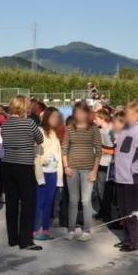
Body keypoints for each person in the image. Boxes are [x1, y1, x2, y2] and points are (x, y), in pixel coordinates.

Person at [0, 96, 43, 251]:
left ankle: (13, 238)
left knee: (11, 203)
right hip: (24, 165)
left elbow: (5, 143)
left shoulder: (5, 125)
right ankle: (25, 240)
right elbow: (40, 139)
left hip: (8, 164)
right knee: (27, 203)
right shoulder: (30, 123)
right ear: (24, 107)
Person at [113, 101, 138, 253]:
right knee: (123, 211)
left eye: (130, 114)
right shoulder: (124, 130)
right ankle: (126, 238)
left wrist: (133, 168)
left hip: (133, 179)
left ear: (137, 115)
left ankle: (133, 242)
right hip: (120, 177)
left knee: (132, 212)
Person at [62, 102, 102, 241]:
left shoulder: (93, 129)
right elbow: (64, 148)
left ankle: (87, 230)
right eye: (77, 112)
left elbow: (98, 151)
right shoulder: (69, 128)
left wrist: (94, 171)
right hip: (72, 168)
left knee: (85, 201)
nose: (79, 115)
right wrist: (66, 166)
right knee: (73, 200)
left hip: (88, 169)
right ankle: (71, 229)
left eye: (82, 112)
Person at [34, 106, 63, 241]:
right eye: (53, 117)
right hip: (42, 173)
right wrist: (39, 176)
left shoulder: (54, 133)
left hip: (53, 173)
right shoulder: (39, 131)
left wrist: (59, 178)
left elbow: (58, 155)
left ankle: (45, 230)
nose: (56, 119)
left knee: (49, 203)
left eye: (57, 117)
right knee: (39, 203)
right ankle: (34, 230)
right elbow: (36, 156)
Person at [92, 109, 114, 220]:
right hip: (99, 162)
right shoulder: (98, 130)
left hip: (107, 164)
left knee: (104, 190)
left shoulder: (110, 131)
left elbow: (114, 150)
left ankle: (107, 213)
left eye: (96, 119)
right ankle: (102, 210)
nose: (94, 120)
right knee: (98, 188)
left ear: (102, 119)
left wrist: (101, 150)